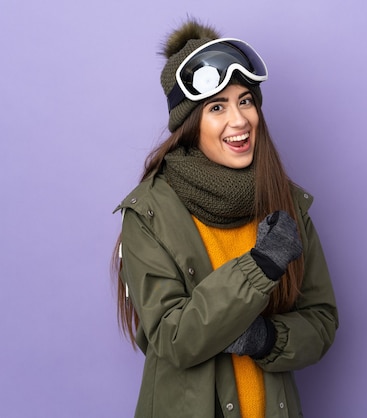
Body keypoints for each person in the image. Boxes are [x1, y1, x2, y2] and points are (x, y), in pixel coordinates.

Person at [111, 18, 338, 418]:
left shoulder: (284, 202)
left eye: (245, 100)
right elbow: (173, 335)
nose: (239, 120)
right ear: (190, 124)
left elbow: (321, 320)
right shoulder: (148, 214)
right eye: (217, 107)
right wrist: (260, 267)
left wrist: (269, 338)